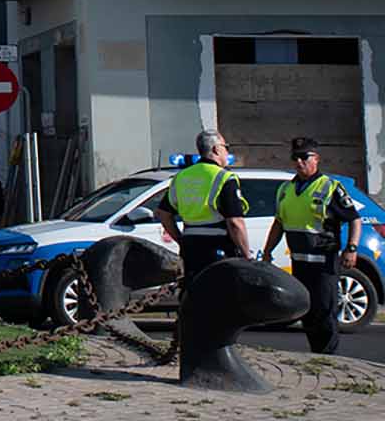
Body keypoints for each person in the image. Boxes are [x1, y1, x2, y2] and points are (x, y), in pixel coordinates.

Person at [260, 135, 363, 355]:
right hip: (299, 263)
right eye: (295, 158)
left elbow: (354, 218)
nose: (299, 162)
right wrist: (268, 251)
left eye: (304, 157)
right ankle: (316, 354)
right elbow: (279, 223)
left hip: (323, 264)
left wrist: (351, 248)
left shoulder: (330, 187)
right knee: (306, 312)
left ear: (316, 158)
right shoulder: (286, 190)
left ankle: (328, 359)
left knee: (324, 312)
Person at [154, 129, 250, 281]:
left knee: (194, 295)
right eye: (226, 147)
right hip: (218, 249)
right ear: (216, 149)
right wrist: (246, 255)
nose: (227, 152)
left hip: (190, 249)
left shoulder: (181, 177)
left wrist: (180, 239)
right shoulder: (224, 177)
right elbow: (235, 222)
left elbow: (164, 213)